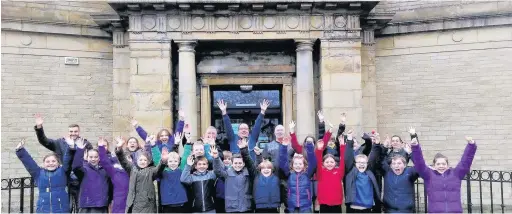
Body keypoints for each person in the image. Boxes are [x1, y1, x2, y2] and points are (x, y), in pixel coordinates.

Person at [33, 113, 92, 212]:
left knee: (81, 207)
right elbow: (44, 141)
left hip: (80, 179)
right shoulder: (60, 142)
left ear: (79, 132)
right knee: (65, 206)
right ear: (68, 132)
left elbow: (92, 157)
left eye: (75, 131)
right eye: (71, 131)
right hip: (64, 178)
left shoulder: (85, 143)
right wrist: (39, 127)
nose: (73, 133)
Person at [411, 135, 477, 213]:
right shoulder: (428, 175)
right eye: (438, 164)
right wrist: (415, 147)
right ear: (434, 165)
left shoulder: (456, 174)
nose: (441, 166)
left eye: (443, 164)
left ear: (447, 165)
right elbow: (419, 163)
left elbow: (465, 162)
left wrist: (471, 145)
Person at [15, 139, 71, 213]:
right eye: (47, 161)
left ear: (58, 163)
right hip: (43, 209)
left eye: (53, 161)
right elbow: (29, 162)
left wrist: (71, 148)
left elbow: (68, 160)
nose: (51, 163)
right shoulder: (38, 173)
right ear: (44, 164)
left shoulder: (62, 171)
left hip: (61, 209)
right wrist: (20, 150)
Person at [115, 136, 168, 213]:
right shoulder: (132, 169)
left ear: (148, 162)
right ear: (136, 160)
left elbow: (159, 169)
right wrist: (119, 149)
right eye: (140, 160)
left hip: (147, 205)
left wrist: (163, 161)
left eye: (145, 160)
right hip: (134, 204)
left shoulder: (151, 170)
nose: (142, 162)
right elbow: (123, 160)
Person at [344, 130, 381, 213]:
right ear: (354, 164)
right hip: (354, 207)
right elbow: (347, 157)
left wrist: (377, 144)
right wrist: (349, 140)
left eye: (364, 162)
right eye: (359, 162)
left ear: (367, 164)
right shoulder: (351, 171)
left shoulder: (369, 171)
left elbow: (374, 155)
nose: (361, 164)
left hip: (367, 208)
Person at [213, 138, 254, 213]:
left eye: (240, 163)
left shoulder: (248, 173)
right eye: (235, 163)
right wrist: (216, 158)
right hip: (232, 208)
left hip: (246, 207)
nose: (237, 165)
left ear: (244, 164)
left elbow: (251, 164)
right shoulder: (227, 173)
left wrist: (244, 150)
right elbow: (217, 171)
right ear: (232, 164)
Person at [152, 132, 188, 213]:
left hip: (181, 203)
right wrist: (153, 145)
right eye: (170, 161)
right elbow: (157, 158)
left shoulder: (181, 170)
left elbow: (185, 156)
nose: (173, 163)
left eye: (175, 161)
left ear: (179, 162)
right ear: (167, 162)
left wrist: (188, 143)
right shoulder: (163, 171)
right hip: (167, 204)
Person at [280, 136, 317, 213]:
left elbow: (312, 162)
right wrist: (284, 146)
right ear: (292, 165)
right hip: (292, 206)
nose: (297, 165)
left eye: (300, 164)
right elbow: (283, 162)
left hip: (305, 207)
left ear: (304, 165)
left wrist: (309, 146)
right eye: (295, 164)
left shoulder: (307, 174)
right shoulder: (289, 173)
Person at [72, 144, 109, 213]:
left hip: (101, 205)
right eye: (91, 157)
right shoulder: (83, 169)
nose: (93, 159)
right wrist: (80, 150)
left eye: (96, 157)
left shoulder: (105, 170)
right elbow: (75, 166)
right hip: (86, 205)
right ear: (87, 157)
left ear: (99, 158)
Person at [316, 130, 347, 213]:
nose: (329, 164)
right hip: (324, 204)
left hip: (336, 204)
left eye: (331, 162)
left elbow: (343, 160)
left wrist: (342, 146)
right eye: (327, 162)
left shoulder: (339, 172)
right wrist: (319, 150)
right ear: (323, 163)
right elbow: (318, 162)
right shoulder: (321, 172)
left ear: (335, 163)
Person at [97, 138, 129, 214]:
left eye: (129, 158)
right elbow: (105, 162)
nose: (126, 160)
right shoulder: (115, 171)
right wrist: (101, 148)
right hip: (119, 204)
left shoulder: (134, 171)